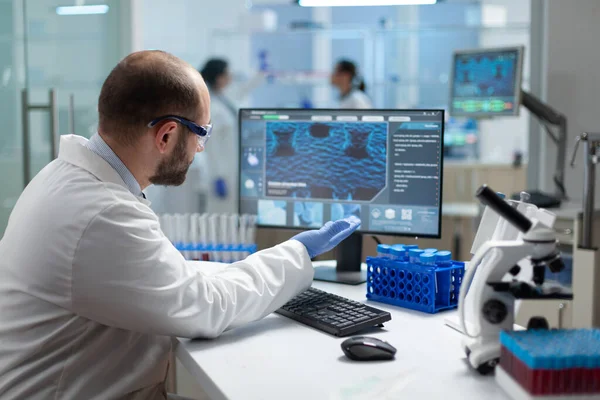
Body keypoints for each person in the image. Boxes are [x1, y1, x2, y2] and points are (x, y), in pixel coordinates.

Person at [0, 50, 360, 399]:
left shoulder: (66, 178)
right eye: (201, 134)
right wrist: (296, 253)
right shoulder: (102, 213)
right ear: (167, 135)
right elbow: (204, 306)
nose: (200, 149)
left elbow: (167, 277)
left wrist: (264, 264)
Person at [198, 58, 263, 214]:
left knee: (231, 213)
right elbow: (211, 146)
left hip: (231, 168)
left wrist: (261, 73)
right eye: (227, 73)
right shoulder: (212, 106)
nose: (231, 77)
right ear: (219, 77)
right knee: (219, 216)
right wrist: (218, 176)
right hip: (220, 172)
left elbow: (243, 90)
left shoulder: (223, 97)